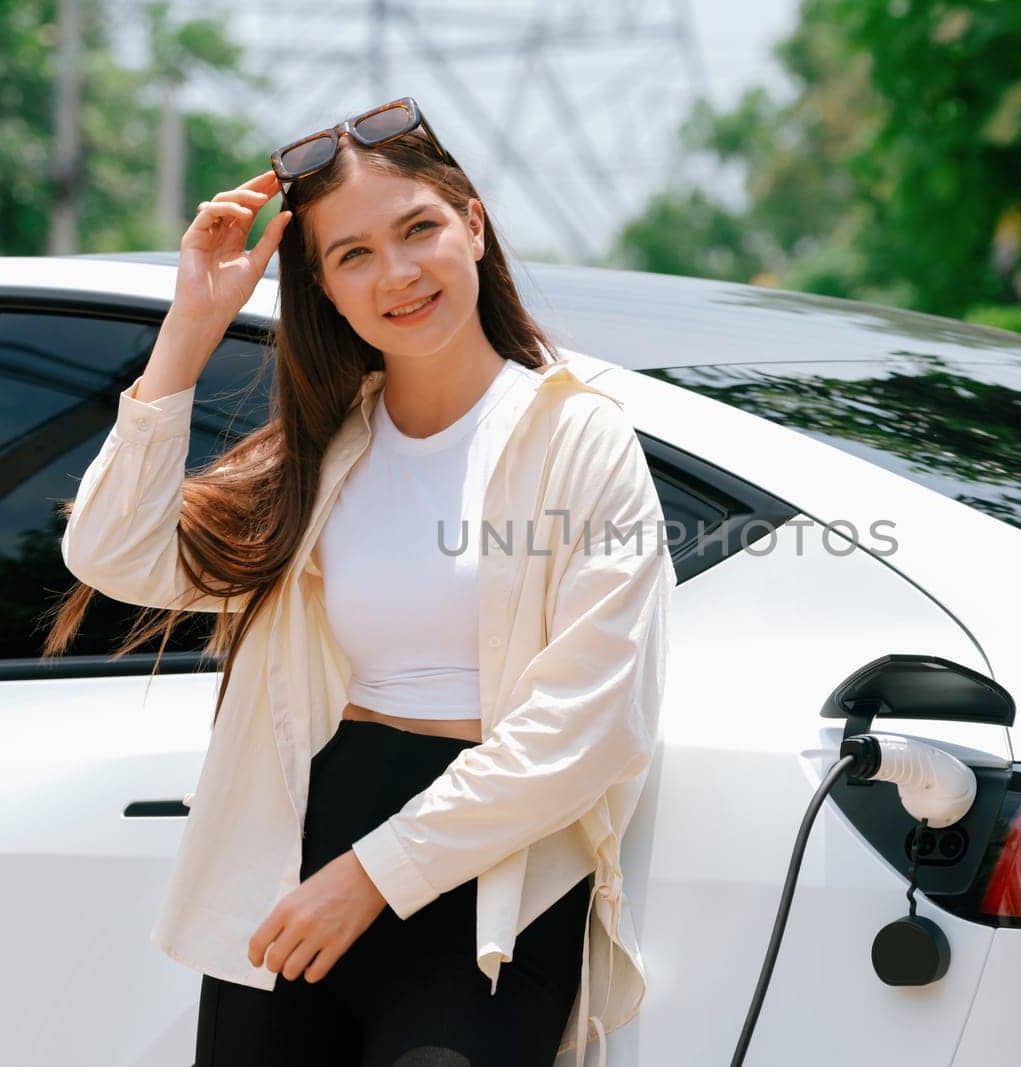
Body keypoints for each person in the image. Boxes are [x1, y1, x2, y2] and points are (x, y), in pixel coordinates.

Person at [43, 97, 674, 1067]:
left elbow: (592, 719)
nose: (399, 273)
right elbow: (112, 552)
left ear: (472, 222)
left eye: (417, 228)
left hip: (484, 886)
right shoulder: (323, 454)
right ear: (326, 290)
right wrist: (194, 321)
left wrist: (374, 874)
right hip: (303, 857)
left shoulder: (576, 436)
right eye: (353, 255)